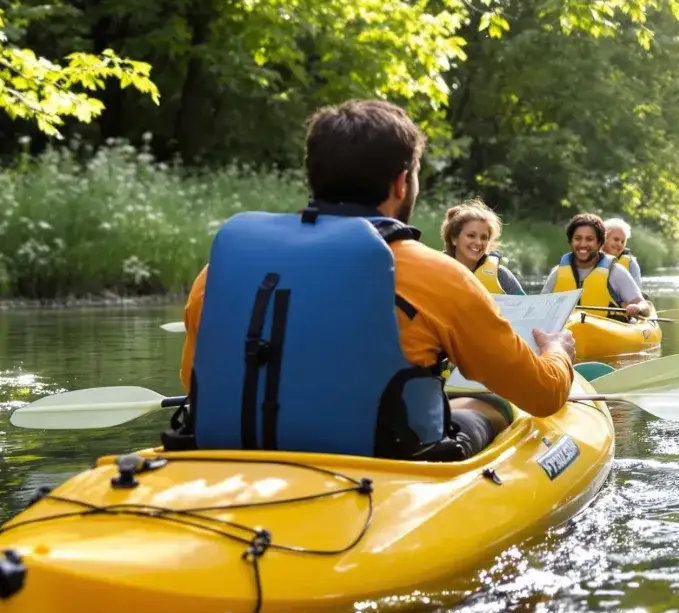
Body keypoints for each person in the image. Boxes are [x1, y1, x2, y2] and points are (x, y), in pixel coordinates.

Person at [176, 99, 575, 461]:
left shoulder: (219, 274)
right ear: (402, 183)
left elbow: (195, 381)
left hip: (233, 460)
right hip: (387, 468)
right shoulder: (437, 276)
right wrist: (557, 352)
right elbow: (543, 394)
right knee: (489, 401)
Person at [542, 213, 652, 320]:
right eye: (577, 238)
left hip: (606, 333)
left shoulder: (616, 272)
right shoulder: (557, 273)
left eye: (589, 239)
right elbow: (540, 308)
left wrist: (638, 307)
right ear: (571, 241)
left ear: (600, 243)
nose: (583, 244)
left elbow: (645, 307)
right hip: (566, 332)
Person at [440, 199, 525, 295]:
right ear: (454, 239)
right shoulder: (435, 271)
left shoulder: (501, 276)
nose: (478, 242)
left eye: (484, 238)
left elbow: (526, 307)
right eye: (471, 235)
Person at [602, 217, 643, 289]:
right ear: (605, 237)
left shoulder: (631, 263)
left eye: (623, 241)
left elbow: (637, 292)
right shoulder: (590, 258)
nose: (619, 244)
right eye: (616, 239)